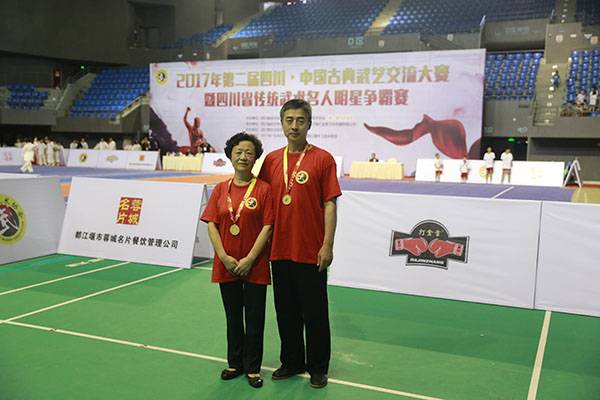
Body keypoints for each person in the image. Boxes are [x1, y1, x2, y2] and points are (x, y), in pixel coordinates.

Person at [258, 99, 341, 389]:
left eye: (300, 120)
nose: (294, 126)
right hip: (279, 250)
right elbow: (263, 204)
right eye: (289, 120)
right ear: (282, 123)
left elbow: (330, 204)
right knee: (286, 311)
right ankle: (292, 361)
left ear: (309, 124)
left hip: (310, 251)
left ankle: (318, 367)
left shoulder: (323, 159)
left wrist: (327, 245)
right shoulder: (271, 160)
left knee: (315, 313)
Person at [201, 132, 273, 389]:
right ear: (230, 155)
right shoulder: (221, 189)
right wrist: (223, 256)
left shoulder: (264, 189)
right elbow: (212, 223)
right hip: (227, 264)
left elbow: (268, 226)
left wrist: (250, 258)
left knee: (254, 318)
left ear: (256, 158)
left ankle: (253, 367)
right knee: (233, 316)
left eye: (249, 153)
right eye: (238, 152)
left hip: (255, 265)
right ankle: (235, 362)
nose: (243, 157)